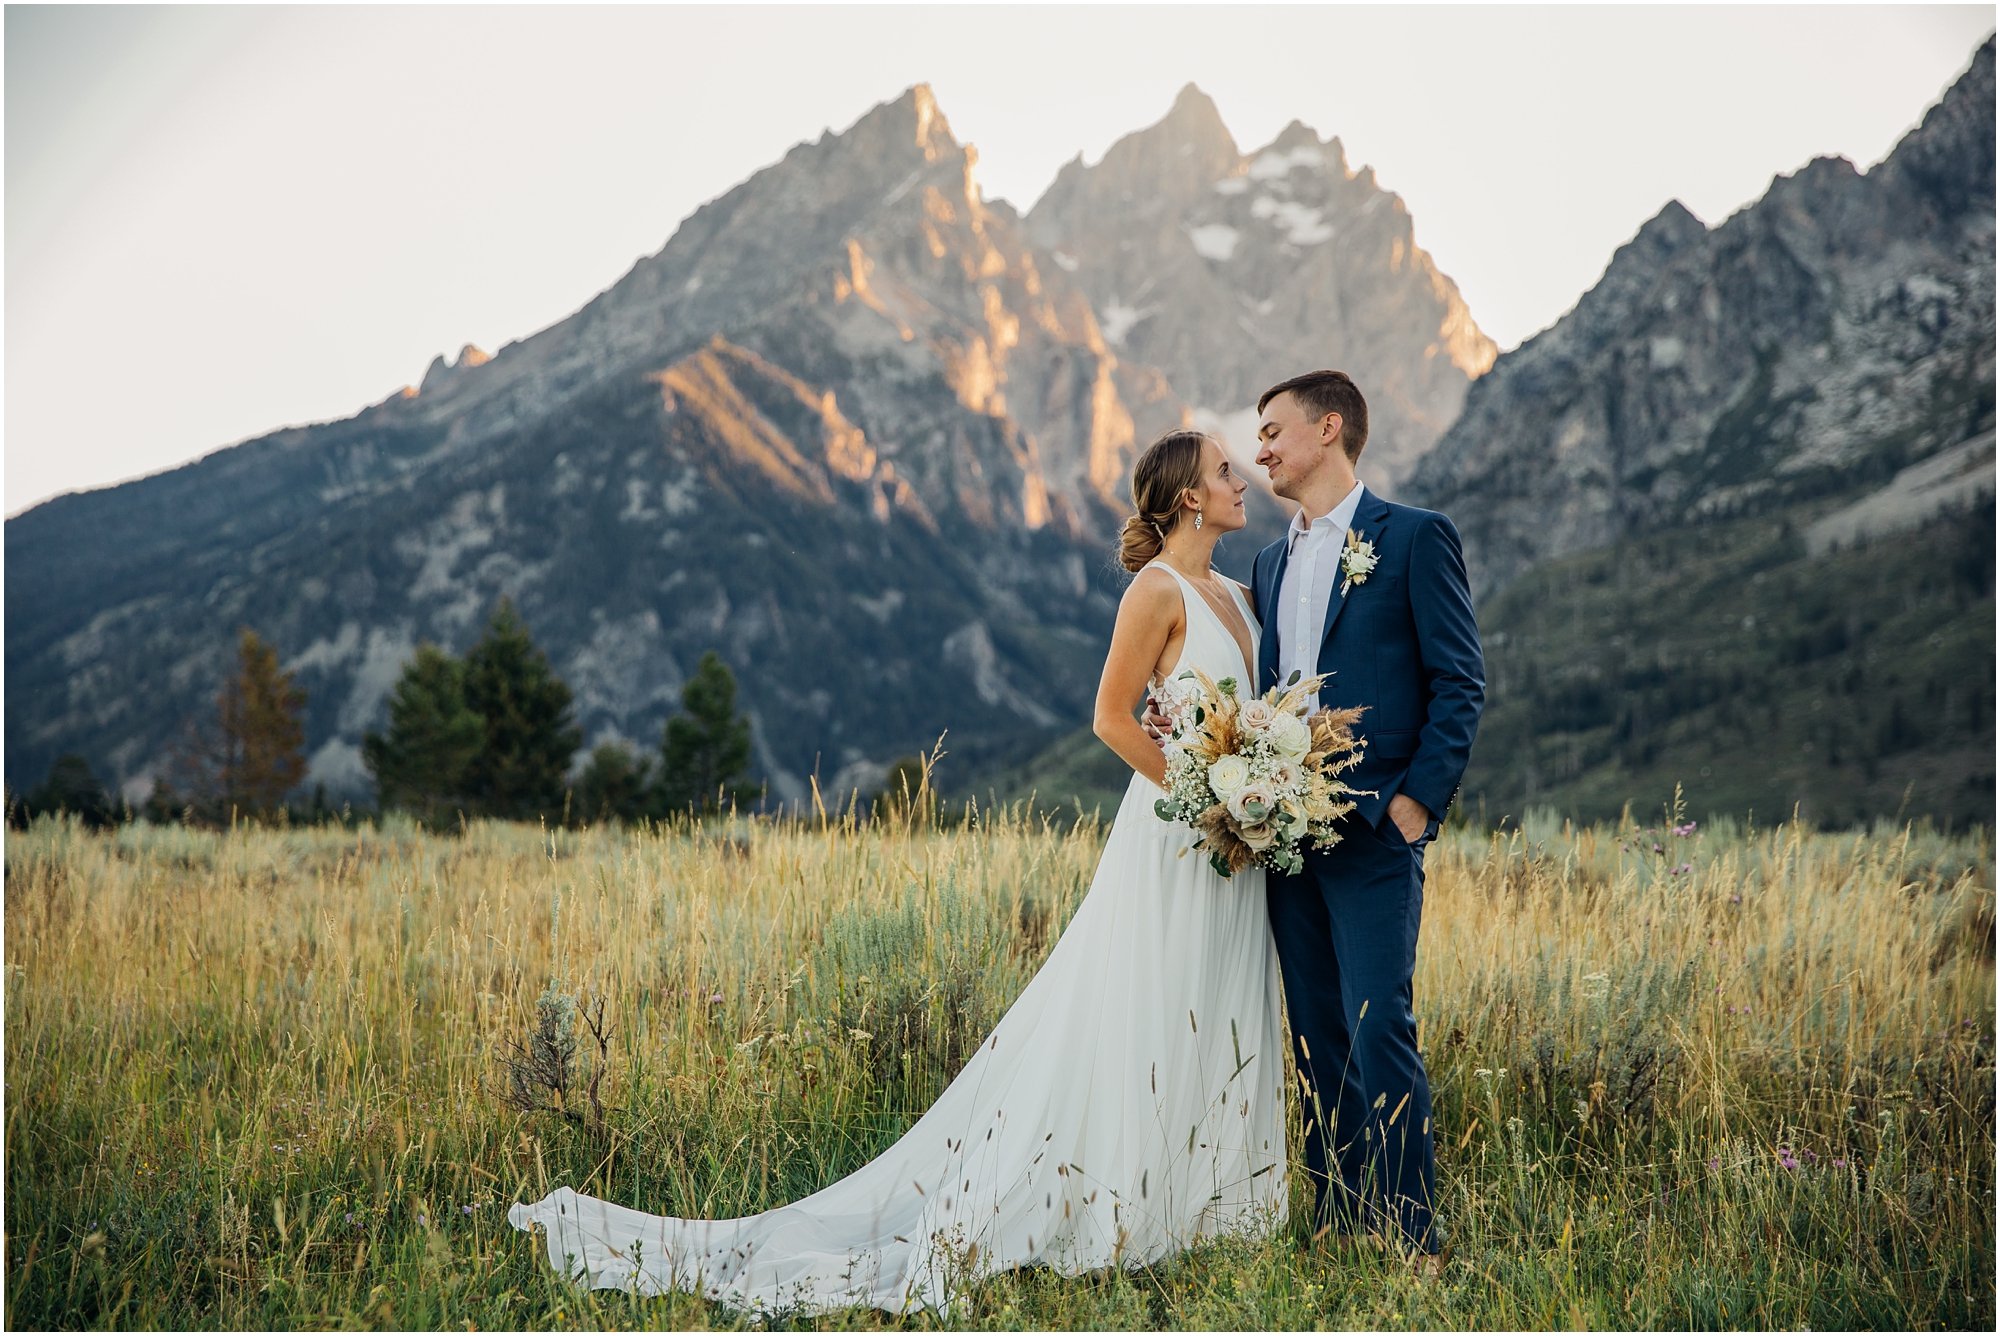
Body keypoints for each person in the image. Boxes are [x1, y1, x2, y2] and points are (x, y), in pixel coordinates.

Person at [509, 429, 1290, 1316]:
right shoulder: (1157, 591)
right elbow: (1112, 720)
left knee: (1220, 1002)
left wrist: (1258, 789)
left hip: (1240, 842)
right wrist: (1203, 795)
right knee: (1148, 1007)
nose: (1242, 480)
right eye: (1227, 470)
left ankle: (1210, 1204)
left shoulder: (1236, 589)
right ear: (1190, 496)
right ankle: (1119, 1208)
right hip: (1177, 835)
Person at [1233, 369, 1483, 1269]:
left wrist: (1416, 804)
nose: (1259, 448)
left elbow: (1461, 681)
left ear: (1328, 429)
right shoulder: (1268, 561)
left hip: (1377, 828)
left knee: (1381, 1024)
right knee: (1317, 1033)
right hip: (1286, 841)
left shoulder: (1413, 539)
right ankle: (1342, 1217)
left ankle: (1414, 1232)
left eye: (1272, 431)